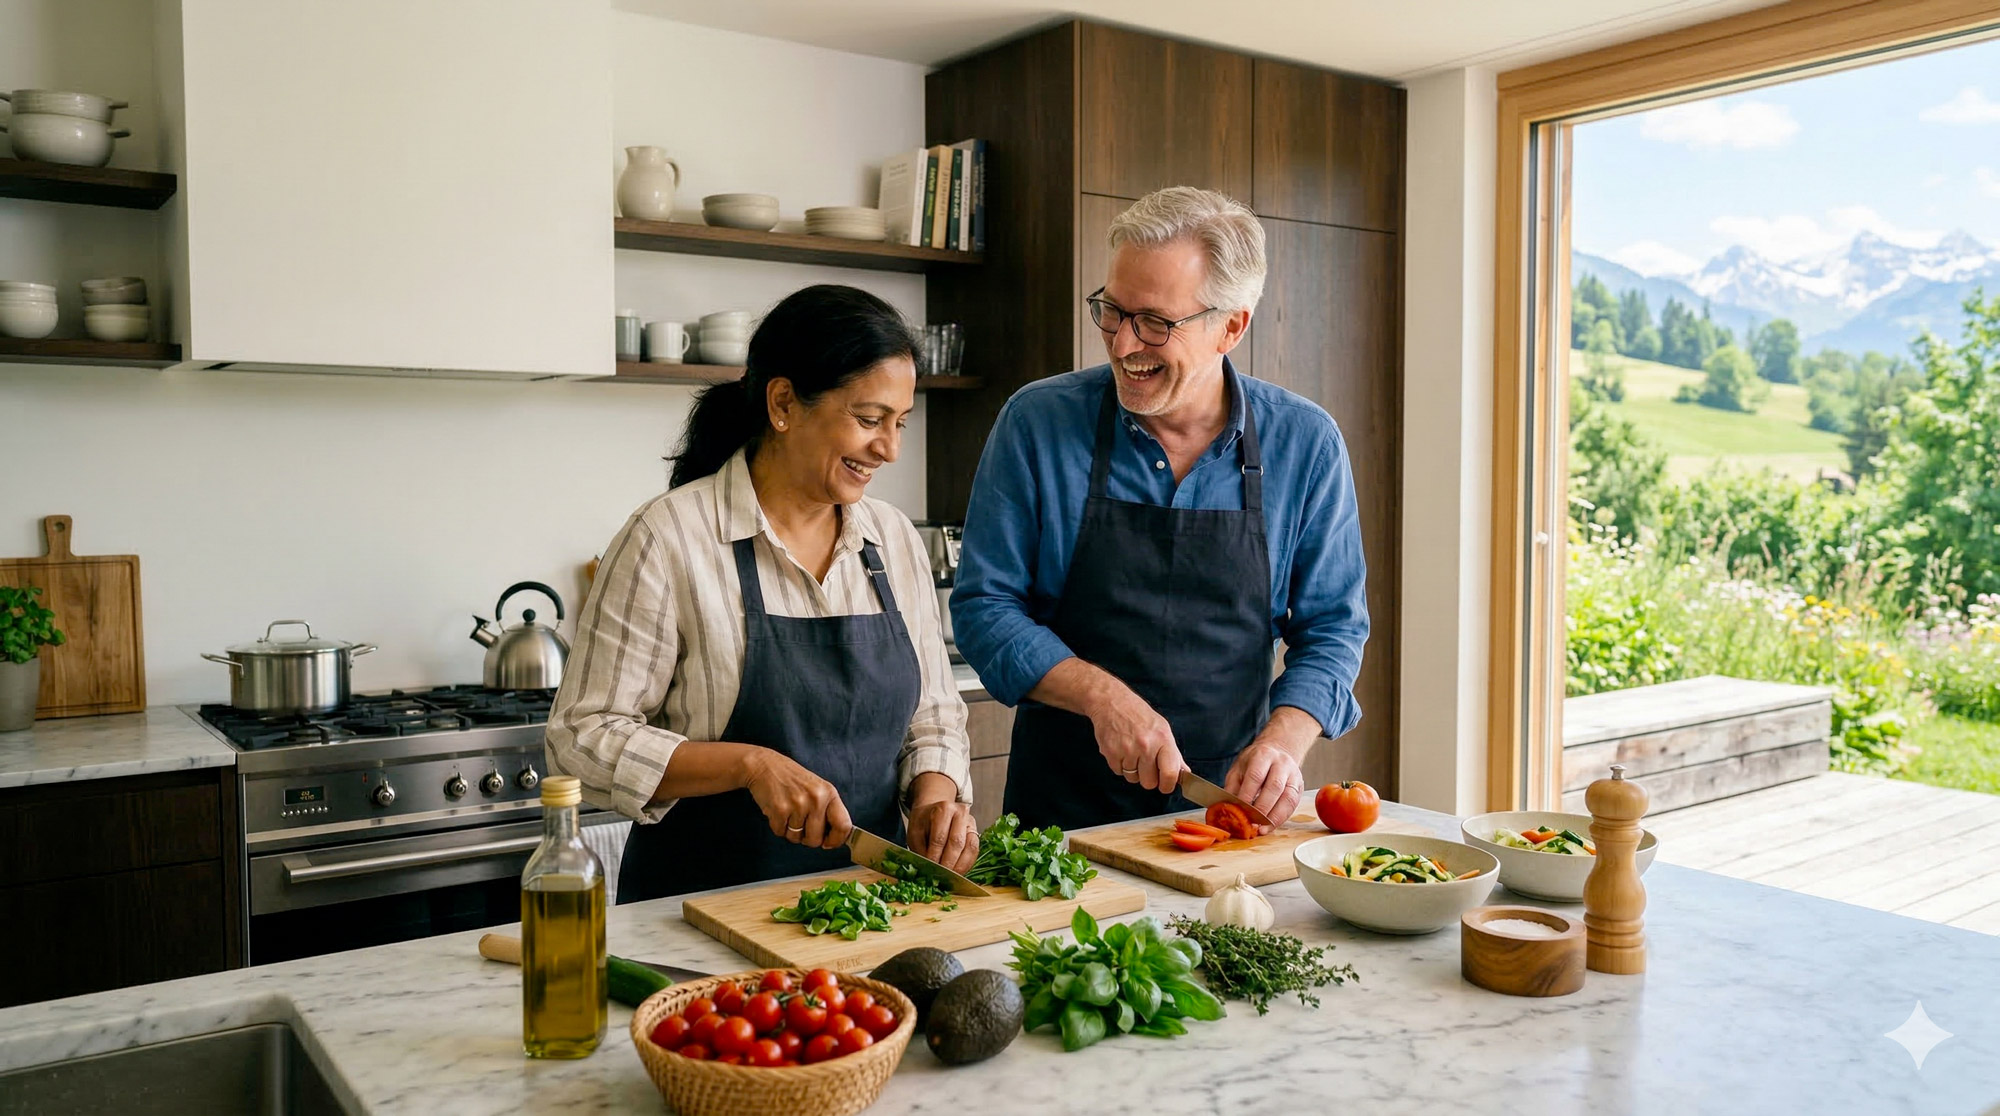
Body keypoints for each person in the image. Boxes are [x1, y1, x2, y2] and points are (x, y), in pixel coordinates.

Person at [950, 186, 1369, 833]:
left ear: (1232, 326)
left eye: (1154, 323)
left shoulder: (1305, 444)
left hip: (1224, 812)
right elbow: (985, 608)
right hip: (1061, 818)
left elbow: (1334, 628)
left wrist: (1284, 741)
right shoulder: (1037, 423)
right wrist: (1101, 696)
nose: (1121, 345)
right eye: (1111, 312)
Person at [547, 285, 977, 903]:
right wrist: (749, 765)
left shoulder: (893, 539)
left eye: (900, 422)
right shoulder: (669, 538)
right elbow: (579, 738)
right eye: (868, 419)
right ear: (783, 403)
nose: (890, 448)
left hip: (872, 907)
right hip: (703, 912)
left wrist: (937, 793)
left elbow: (933, 713)